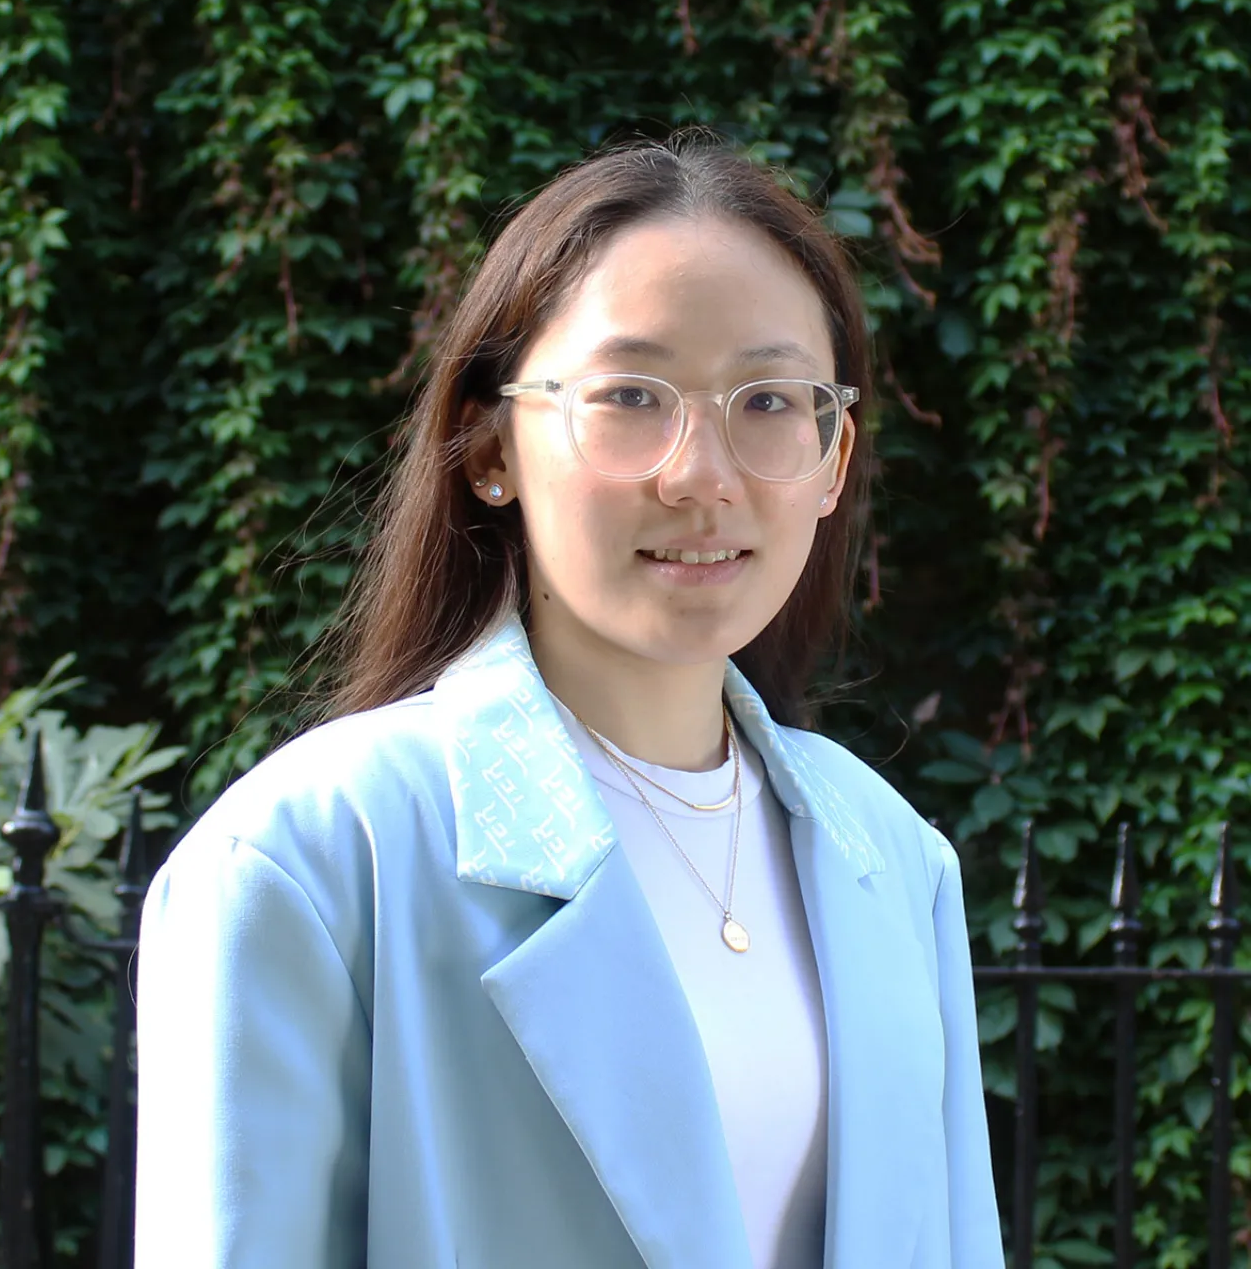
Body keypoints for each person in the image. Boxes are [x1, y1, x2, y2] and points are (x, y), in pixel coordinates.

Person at [134, 133, 1005, 1269]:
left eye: (770, 400)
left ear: (833, 457)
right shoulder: (309, 857)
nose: (702, 473)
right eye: (632, 394)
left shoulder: (893, 859)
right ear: (491, 444)